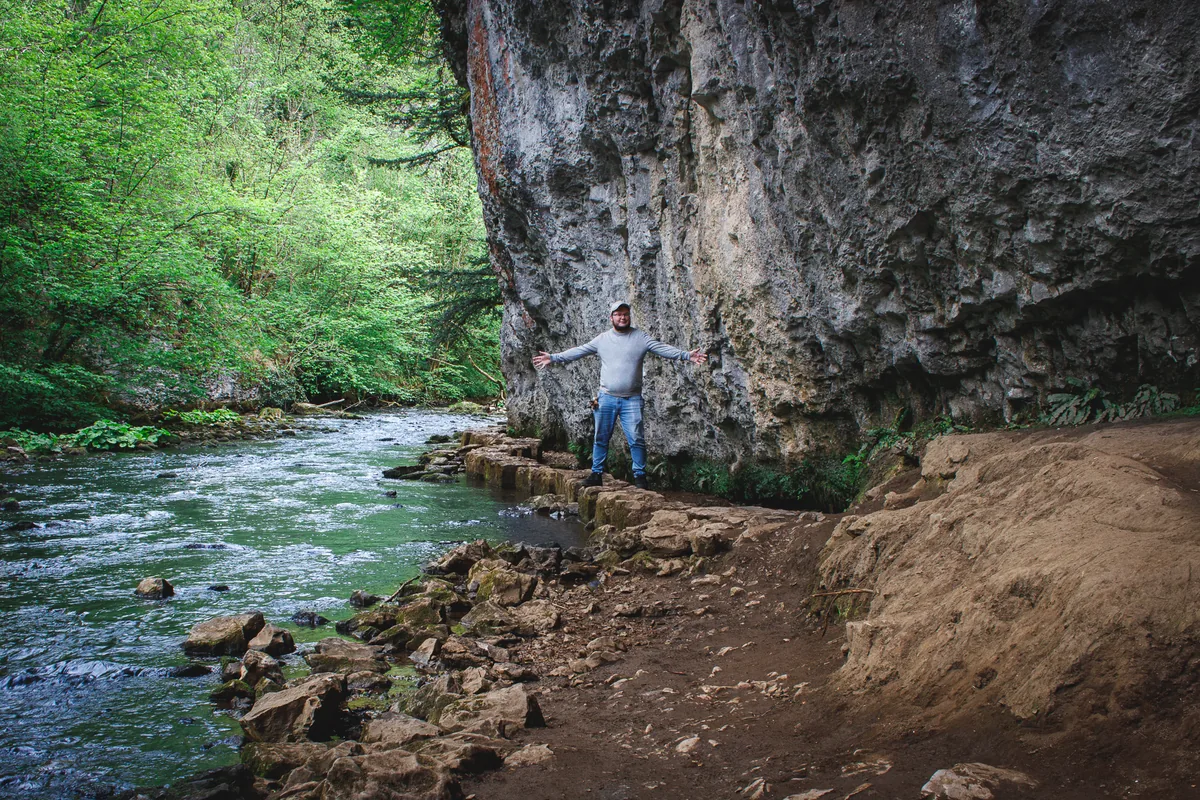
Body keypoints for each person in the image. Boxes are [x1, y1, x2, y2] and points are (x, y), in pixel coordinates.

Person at [532, 301, 707, 489]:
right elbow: (579, 351)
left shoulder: (640, 338)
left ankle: (640, 478)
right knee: (601, 437)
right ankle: (596, 474)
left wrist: (686, 355)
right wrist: (554, 357)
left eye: (625, 314)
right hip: (606, 397)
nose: (622, 317)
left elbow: (662, 348)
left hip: (631, 398)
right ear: (611, 318)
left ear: (629, 316)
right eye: (618, 314)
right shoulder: (602, 339)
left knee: (636, 439)